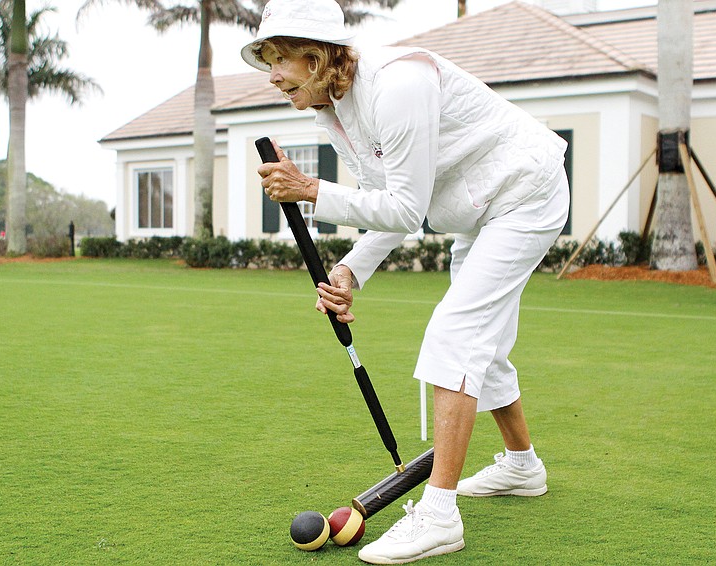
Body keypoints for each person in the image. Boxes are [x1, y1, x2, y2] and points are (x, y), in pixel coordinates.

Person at [242, 0, 569, 563]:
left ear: (315, 57)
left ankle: (438, 516)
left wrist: (312, 190)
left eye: (278, 60)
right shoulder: (334, 111)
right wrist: (349, 269)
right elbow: (385, 204)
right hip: (477, 211)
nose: (271, 76)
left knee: (456, 332)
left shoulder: (398, 85)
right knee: (483, 345)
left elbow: (406, 208)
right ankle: (522, 466)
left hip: (524, 194)